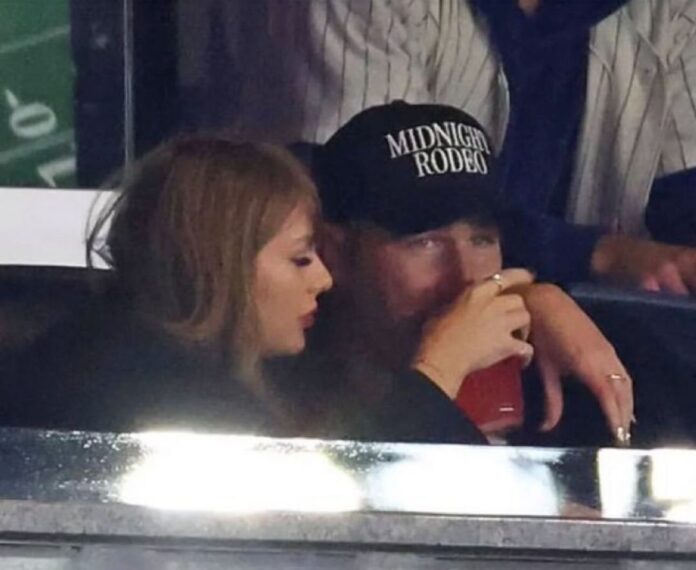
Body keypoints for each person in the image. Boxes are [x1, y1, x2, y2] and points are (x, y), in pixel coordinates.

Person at [0, 135, 493, 443]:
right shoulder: (138, 389)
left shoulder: (201, 360)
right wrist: (437, 373)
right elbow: (330, 528)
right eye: (300, 258)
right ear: (217, 262)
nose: (322, 279)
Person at [204, 0, 696, 293]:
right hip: (370, 348)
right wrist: (600, 255)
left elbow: (683, 192)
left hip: (581, 324)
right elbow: (379, 205)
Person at [280, 102, 637, 447]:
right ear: (335, 252)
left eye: (482, 240)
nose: (466, 277)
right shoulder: (277, 369)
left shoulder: (550, 369)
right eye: (425, 242)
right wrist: (440, 370)